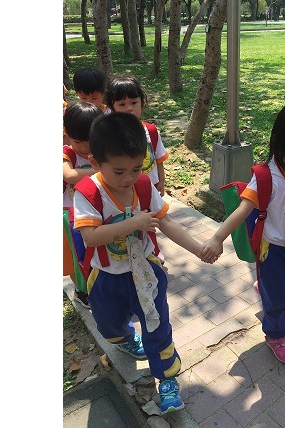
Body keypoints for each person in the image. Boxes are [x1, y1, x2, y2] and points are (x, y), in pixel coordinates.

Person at [73, 112, 217, 414]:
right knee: (109, 324)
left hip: (146, 273)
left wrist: (197, 248)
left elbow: (166, 222)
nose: (129, 178)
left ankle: (166, 379)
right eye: (119, 171)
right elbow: (91, 237)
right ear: (96, 163)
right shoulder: (88, 193)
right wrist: (134, 222)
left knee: (157, 325)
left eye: (137, 168)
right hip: (106, 277)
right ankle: (125, 338)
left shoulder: (142, 186)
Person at [201, 97, 285, 365]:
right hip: (273, 250)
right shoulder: (265, 177)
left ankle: (268, 288)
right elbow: (242, 210)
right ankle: (275, 335)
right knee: (278, 299)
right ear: (280, 141)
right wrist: (217, 238)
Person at [105, 75, 170, 263]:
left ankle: (153, 249)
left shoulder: (150, 131)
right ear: (112, 107)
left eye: (133, 102)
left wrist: (161, 182)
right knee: (131, 222)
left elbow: (159, 158)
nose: (129, 108)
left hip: (148, 188)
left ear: (143, 102)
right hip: (126, 188)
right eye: (122, 104)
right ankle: (131, 252)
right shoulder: (110, 134)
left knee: (153, 220)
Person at [63, 101, 103, 308]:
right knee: (75, 255)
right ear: (66, 134)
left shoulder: (102, 149)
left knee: (94, 252)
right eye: (78, 141)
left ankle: (97, 284)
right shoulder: (67, 153)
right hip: (70, 215)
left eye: (89, 140)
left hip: (94, 211)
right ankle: (81, 289)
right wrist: (103, 170)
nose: (85, 147)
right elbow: (69, 175)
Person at [65, 68, 108, 146]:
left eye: (94, 98)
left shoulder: (109, 114)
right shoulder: (75, 115)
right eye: (84, 98)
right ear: (77, 94)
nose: (89, 102)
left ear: (103, 94)